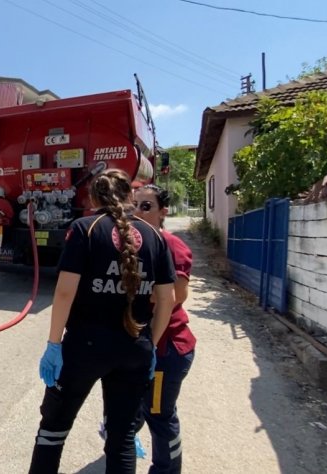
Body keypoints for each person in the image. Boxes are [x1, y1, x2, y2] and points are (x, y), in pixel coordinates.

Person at [30, 169, 176, 474]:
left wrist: (53, 344)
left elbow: (66, 291)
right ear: (130, 196)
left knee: (53, 430)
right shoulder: (154, 237)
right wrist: (150, 345)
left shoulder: (84, 228)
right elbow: (167, 300)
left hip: (85, 348)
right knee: (121, 439)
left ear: (93, 198)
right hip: (135, 349)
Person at [132, 183, 196, 474]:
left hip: (165, 350)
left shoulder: (170, 244)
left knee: (160, 414)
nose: (137, 212)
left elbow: (176, 296)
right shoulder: (134, 243)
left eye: (146, 206)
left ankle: (167, 470)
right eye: (133, 205)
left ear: (162, 212)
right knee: (143, 406)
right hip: (146, 347)